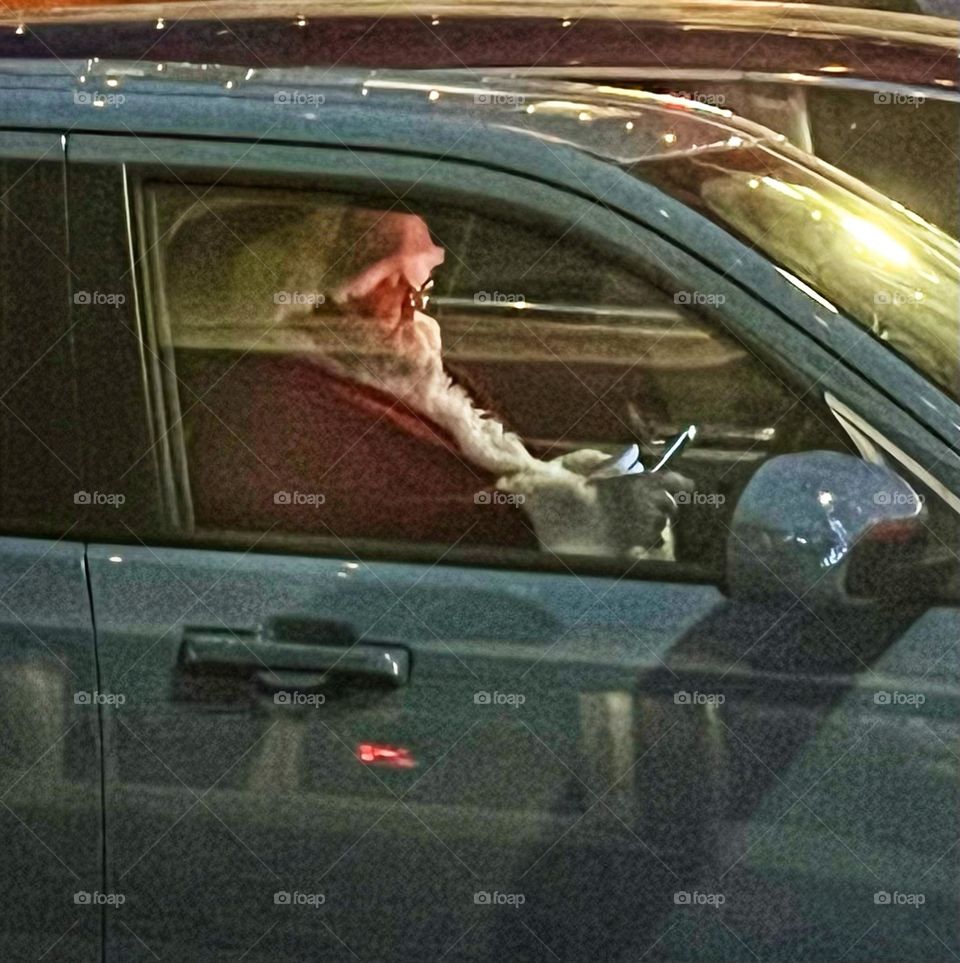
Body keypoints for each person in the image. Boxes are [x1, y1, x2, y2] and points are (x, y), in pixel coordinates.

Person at [188, 207, 689, 559]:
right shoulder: (281, 406)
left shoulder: (406, 360)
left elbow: (489, 452)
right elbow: (381, 527)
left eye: (423, 285)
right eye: (396, 285)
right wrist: (575, 514)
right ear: (332, 298)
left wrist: (585, 476)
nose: (417, 304)